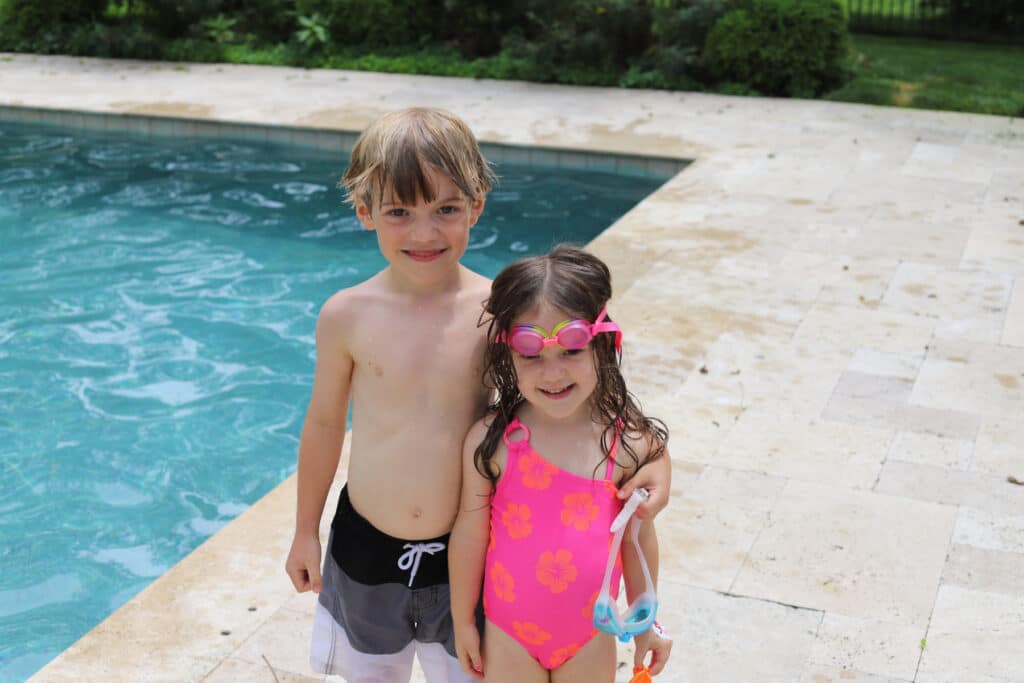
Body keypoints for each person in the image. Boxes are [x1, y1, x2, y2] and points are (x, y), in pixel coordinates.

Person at [283, 108, 671, 682]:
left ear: (477, 206)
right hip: (364, 544)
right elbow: (322, 425)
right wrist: (303, 530)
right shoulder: (346, 316)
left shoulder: (496, 311)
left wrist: (656, 459)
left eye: (446, 209)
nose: (424, 232)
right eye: (399, 212)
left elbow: (578, 388)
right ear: (365, 212)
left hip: (465, 555)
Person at [449, 245, 673, 682]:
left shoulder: (623, 443)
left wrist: (646, 621)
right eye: (530, 355)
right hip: (508, 630)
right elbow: (470, 534)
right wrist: (461, 619)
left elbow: (637, 537)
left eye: (571, 350)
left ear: (603, 344)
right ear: (508, 357)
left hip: (590, 632)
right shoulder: (493, 442)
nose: (552, 375)